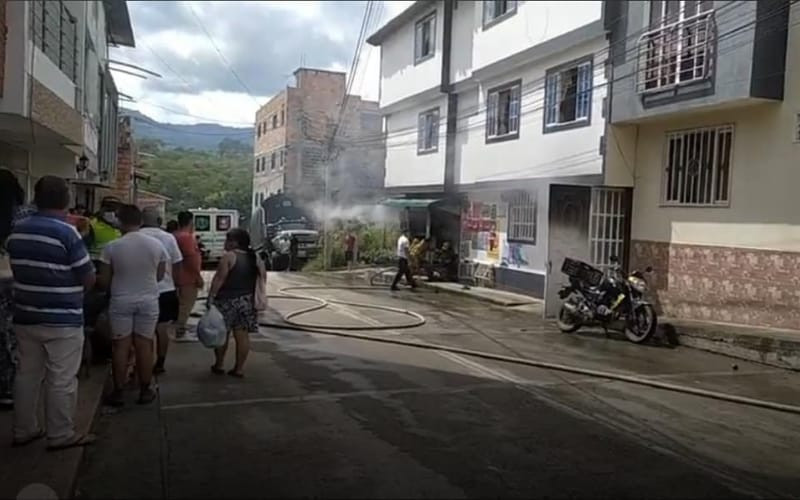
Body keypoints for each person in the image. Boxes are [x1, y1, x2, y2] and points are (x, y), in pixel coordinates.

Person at [6, 176, 97, 449]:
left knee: (26, 374)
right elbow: (88, 277)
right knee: (61, 378)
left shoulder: (17, 230)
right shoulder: (66, 232)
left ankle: (24, 429)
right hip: (62, 318)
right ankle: (60, 434)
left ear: (36, 198)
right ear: (66, 200)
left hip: (25, 315)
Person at [98, 204, 167, 406]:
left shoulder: (112, 247)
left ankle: (119, 391)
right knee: (144, 344)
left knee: (121, 346)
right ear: (140, 221)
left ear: (119, 221)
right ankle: (145, 389)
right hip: (148, 300)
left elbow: (104, 280)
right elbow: (160, 275)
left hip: (121, 300)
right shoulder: (156, 245)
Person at [207, 228, 265, 378]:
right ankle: (238, 369)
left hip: (226, 301)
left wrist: (211, 297)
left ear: (234, 243)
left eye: (227, 240)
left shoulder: (229, 257)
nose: (225, 243)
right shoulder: (256, 258)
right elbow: (262, 280)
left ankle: (219, 364)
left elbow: (219, 279)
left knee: (222, 334)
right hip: (247, 302)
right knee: (242, 335)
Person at [139, 207, 183, 375]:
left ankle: (142, 364)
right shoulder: (168, 238)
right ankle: (161, 362)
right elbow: (178, 262)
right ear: (159, 222)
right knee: (162, 328)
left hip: (141, 289)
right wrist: (177, 283)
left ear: (141, 221)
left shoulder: (134, 237)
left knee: (143, 331)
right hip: (165, 289)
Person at [173, 211, 203, 339]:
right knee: (185, 306)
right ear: (191, 222)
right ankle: (180, 331)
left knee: (181, 305)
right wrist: (198, 276)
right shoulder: (186, 238)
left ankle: (179, 329)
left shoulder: (175, 235)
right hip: (187, 277)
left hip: (178, 276)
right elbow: (191, 259)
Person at [88, 197, 122, 263]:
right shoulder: (91, 225)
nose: (113, 212)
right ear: (102, 210)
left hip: (114, 263)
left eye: (115, 210)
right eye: (109, 209)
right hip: (96, 263)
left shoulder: (121, 226)